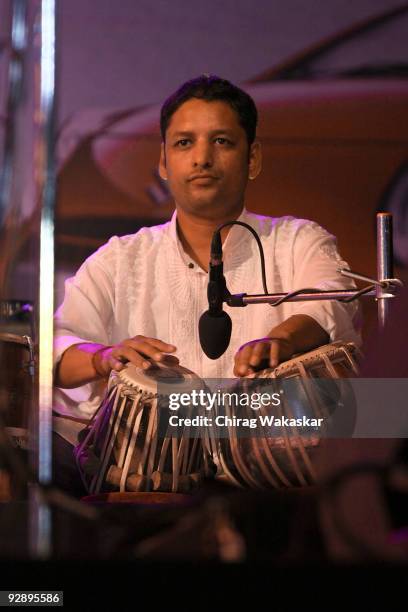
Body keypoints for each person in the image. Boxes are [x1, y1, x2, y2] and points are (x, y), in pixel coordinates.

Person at [53, 75, 360, 493]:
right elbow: (57, 348)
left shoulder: (297, 241)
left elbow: (332, 300)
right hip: (147, 493)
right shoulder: (119, 259)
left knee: (388, 409)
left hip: (274, 489)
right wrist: (103, 356)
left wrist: (284, 339)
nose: (202, 158)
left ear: (252, 159)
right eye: (184, 143)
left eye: (222, 142)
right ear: (163, 162)